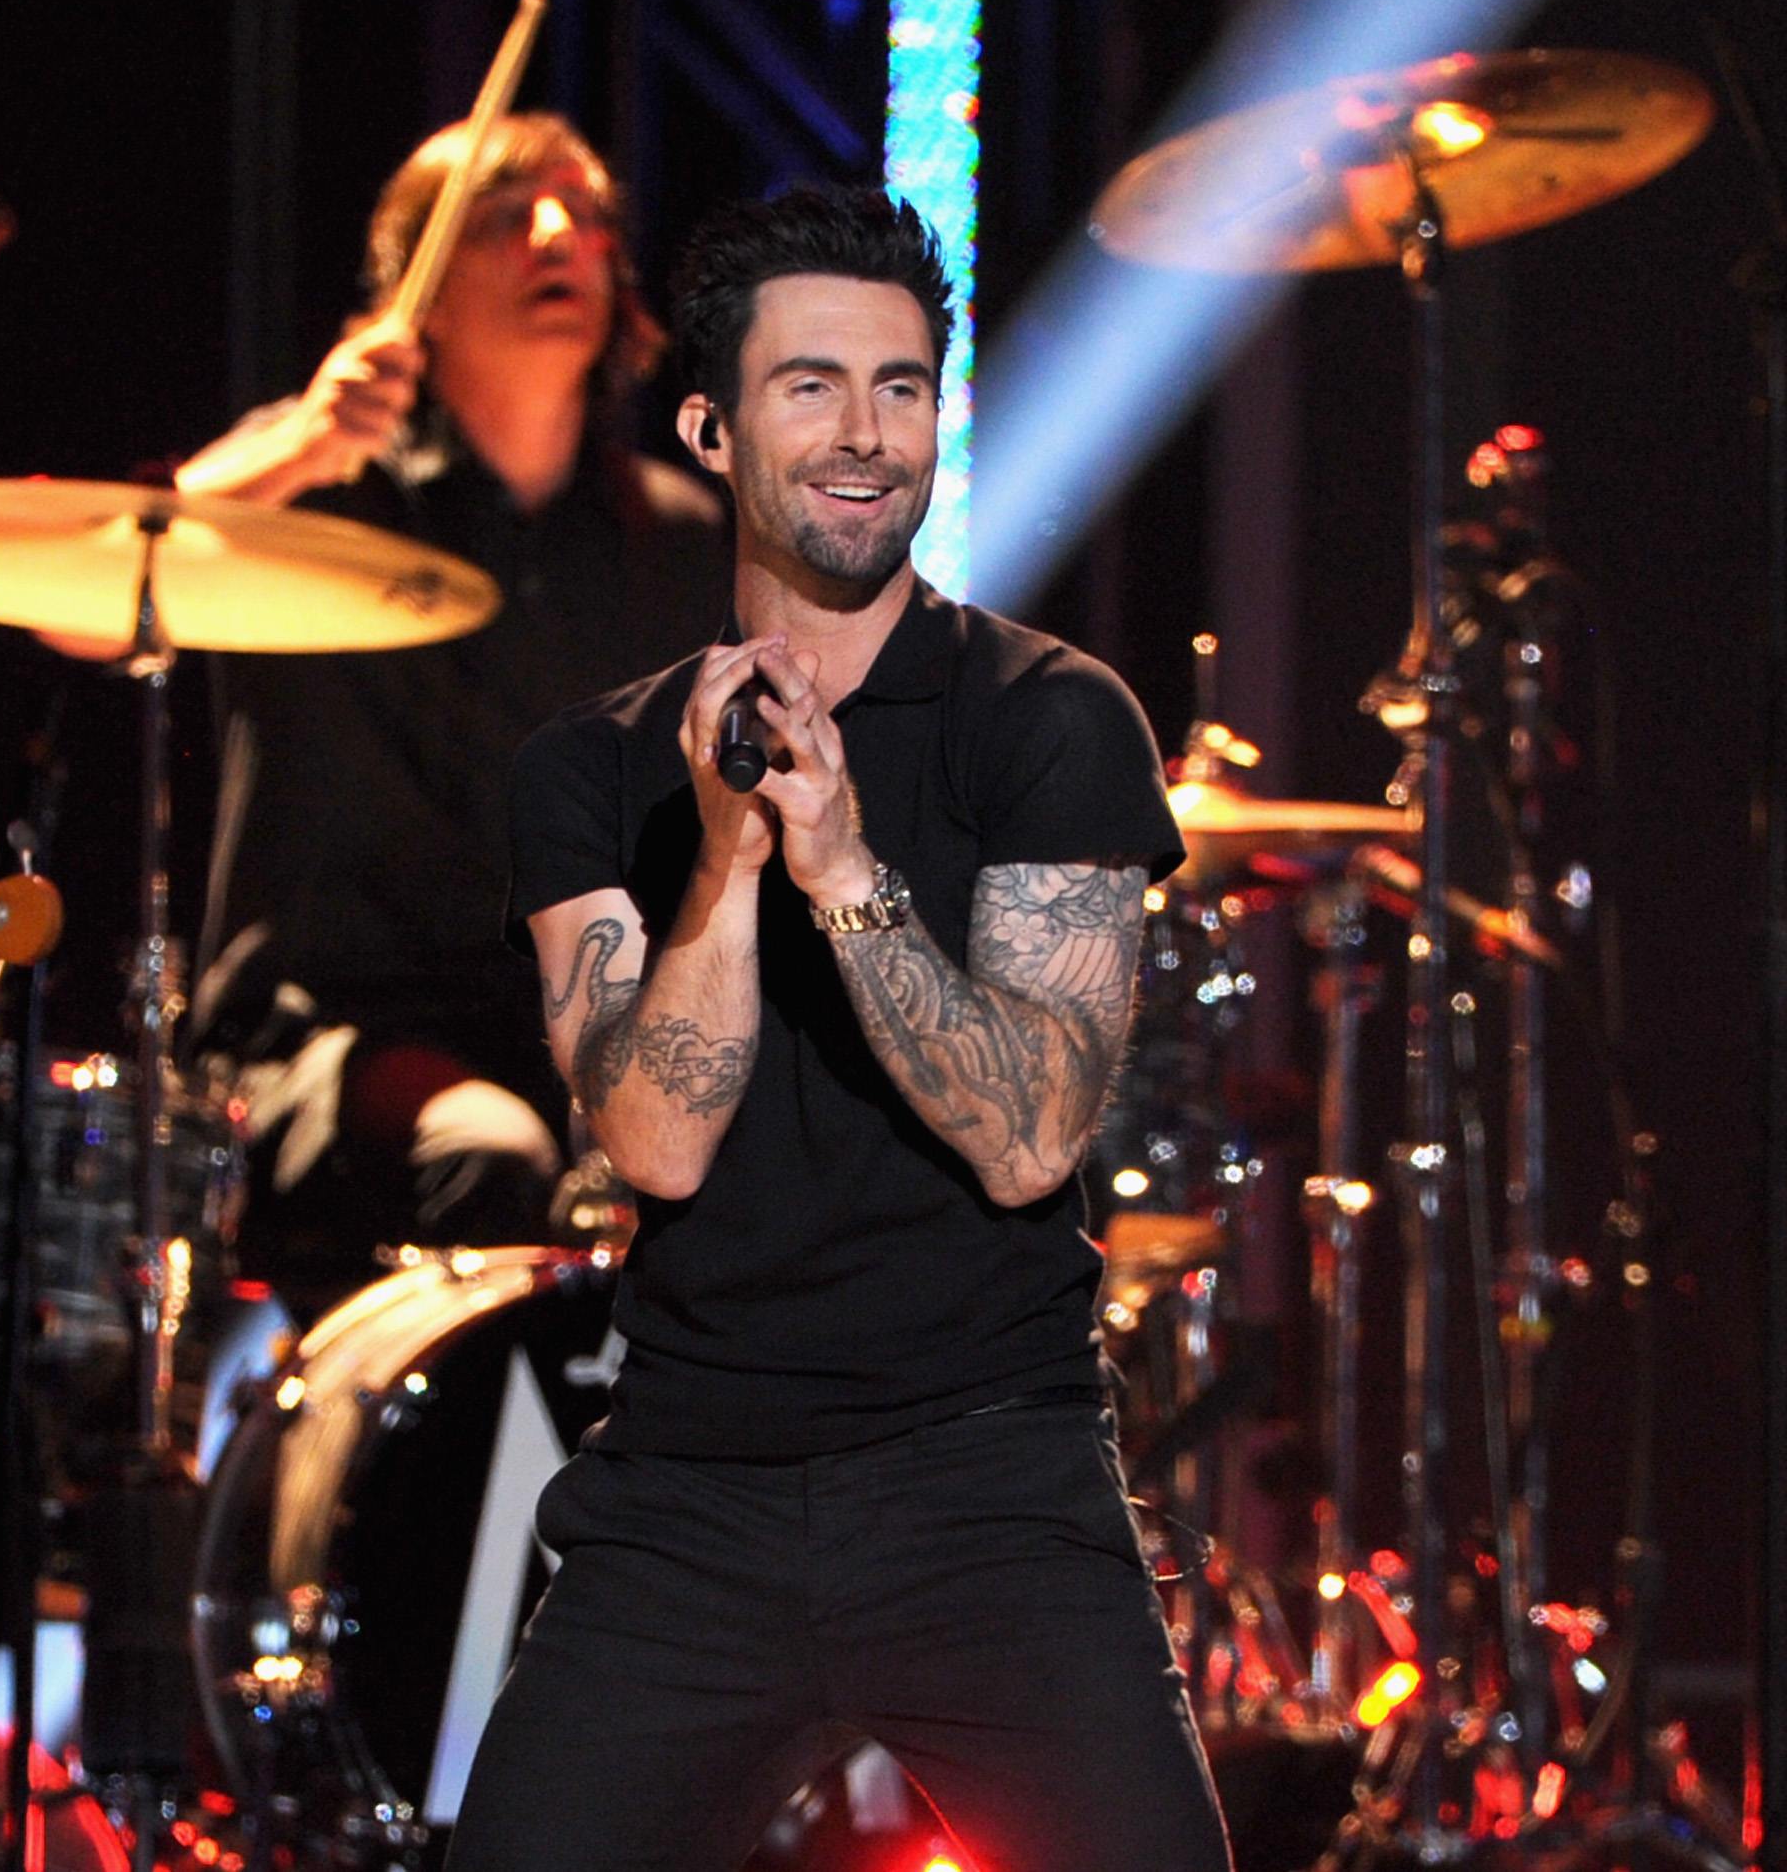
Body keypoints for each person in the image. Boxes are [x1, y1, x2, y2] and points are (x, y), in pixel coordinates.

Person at [454, 188, 1231, 1871]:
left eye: (902, 386)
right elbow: (651, 1140)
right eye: (812, 386)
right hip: (690, 1494)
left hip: (992, 1480)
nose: (867, 434)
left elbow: (1031, 1134)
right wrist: (730, 858)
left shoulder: (1050, 718)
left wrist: (848, 868)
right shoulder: (589, 772)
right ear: (710, 426)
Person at [178, 113, 728, 1313]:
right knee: (493, 1155)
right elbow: (97, 598)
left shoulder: (684, 549)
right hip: (332, 1033)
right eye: (501, 214)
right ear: (412, 291)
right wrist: (301, 443)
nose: (556, 237)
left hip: (579, 1029)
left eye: (585, 214)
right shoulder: (318, 499)